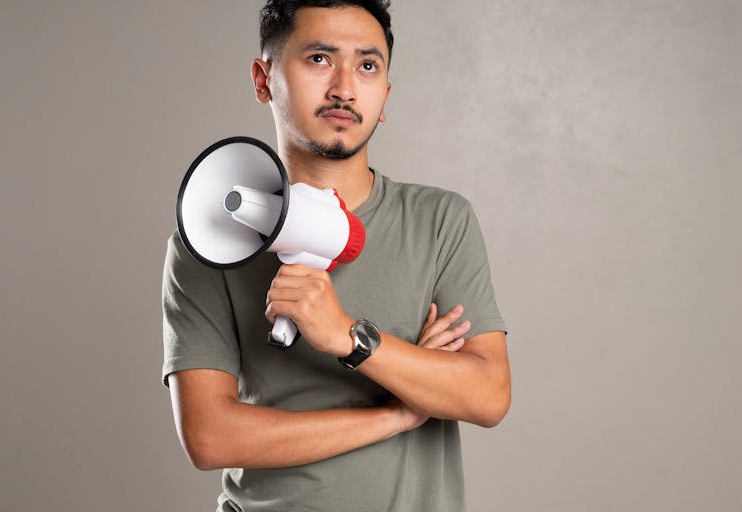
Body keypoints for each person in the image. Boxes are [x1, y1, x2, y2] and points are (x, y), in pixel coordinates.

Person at [161, 1, 510, 510]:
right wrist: (396, 414)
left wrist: (348, 337)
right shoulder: (208, 242)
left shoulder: (440, 222)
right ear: (264, 80)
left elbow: (488, 394)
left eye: (367, 65)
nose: (345, 88)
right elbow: (211, 437)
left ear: (385, 94)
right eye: (320, 59)